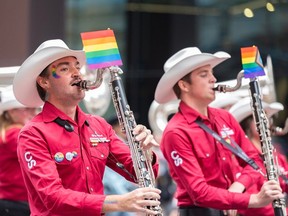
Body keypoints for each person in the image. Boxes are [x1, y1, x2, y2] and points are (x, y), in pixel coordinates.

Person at [12, 39, 161, 216]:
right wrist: (120, 202)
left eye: (77, 66)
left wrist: (146, 153)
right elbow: (52, 198)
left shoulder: (99, 125)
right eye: (64, 69)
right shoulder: (33, 133)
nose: (77, 73)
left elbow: (138, 174)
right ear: (44, 82)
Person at [154, 47, 285, 216]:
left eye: (211, 73)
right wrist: (253, 200)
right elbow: (199, 192)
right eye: (204, 74)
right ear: (184, 85)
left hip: (233, 209)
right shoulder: (176, 132)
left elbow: (255, 159)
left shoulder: (225, 117)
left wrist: (238, 186)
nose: (213, 79)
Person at [229, 97, 288, 215]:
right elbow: (248, 202)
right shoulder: (240, 159)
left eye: (268, 118)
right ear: (249, 124)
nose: (268, 122)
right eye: (262, 118)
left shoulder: (276, 155)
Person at [0, 85, 39, 216]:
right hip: (16, 202)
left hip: (13, 201)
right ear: (11, 111)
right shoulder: (15, 134)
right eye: (27, 109)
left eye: (34, 108)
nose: (33, 112)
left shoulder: (8, 133)